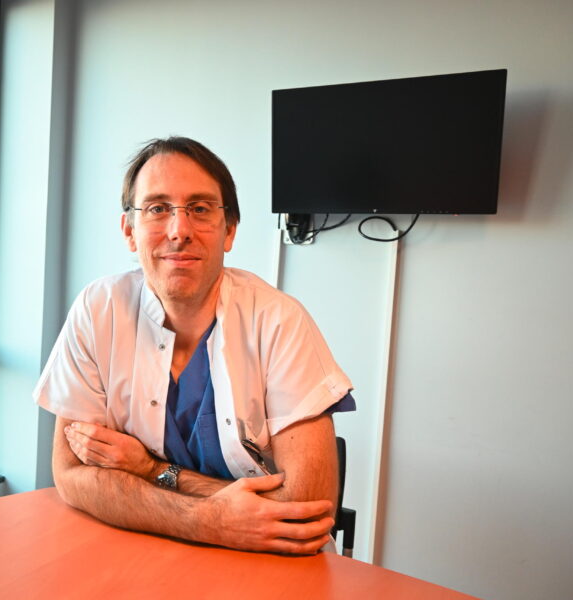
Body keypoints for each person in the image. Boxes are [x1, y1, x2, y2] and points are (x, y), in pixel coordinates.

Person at [33, 136, 355, 555]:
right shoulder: (99, 309)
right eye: (157, 208)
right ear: (129, 231)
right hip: (144, 552)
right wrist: (209, 521)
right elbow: (71, 475)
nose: (179, 231)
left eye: (200, 209)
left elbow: (305, 509)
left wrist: (148, 469)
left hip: (272, 560)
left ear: (229, 230)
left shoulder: (279, 321)